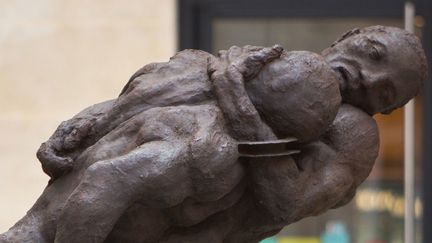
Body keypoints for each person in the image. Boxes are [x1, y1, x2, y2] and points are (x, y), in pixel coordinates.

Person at [0, 26, 427, 243]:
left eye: (383, 90)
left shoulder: (354, 134)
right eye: (372, 53)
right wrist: (81, 125)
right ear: (349, 36)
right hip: (82, 195)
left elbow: (285, 202)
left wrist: (237, 102)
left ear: (385, 109)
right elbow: (155, 88)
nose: (365, 77)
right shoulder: (269, 65)